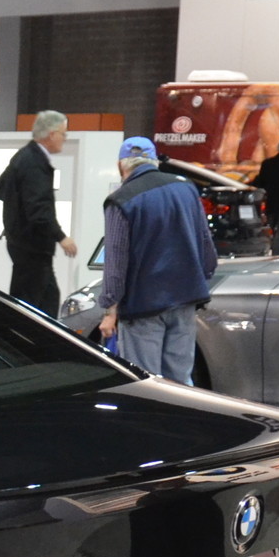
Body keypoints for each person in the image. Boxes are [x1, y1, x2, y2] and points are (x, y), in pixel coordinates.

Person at [96, 137, 217, 386]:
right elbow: (208, 251)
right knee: (181, 380)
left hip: (143, 307)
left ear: (121, 165)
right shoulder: (186, 189)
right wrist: (197, 282)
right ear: (154, 161)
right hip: (185, 300)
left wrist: (110, 308)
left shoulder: (121, 200)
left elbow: (116, 263)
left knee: (145, 382)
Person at [0, 110, 78, 313]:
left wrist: (15, 212)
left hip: (22, 245)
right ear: (51, 134)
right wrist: (61, 237)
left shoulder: (24, 156)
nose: (64, 139)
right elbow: (39, 208)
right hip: (31, 246)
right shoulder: (34, 163)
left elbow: (1, 189)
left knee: (46, 299)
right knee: (30, 307)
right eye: (63, 134)